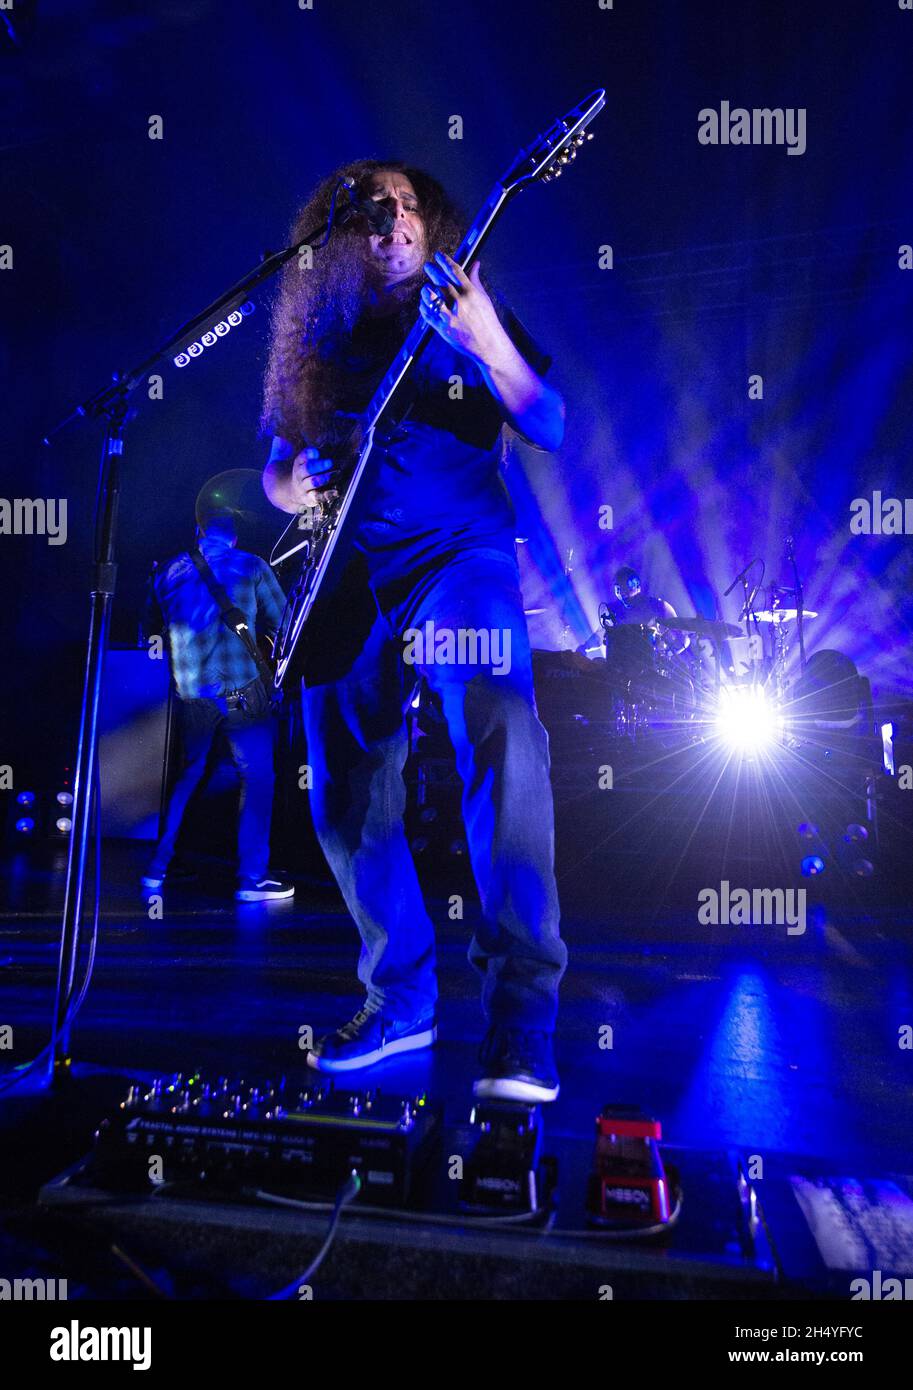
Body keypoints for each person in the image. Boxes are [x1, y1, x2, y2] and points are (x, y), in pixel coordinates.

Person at [261, 160, 567, 1101]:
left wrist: (487, 344)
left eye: (404, 205)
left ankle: (521, 1018)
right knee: (345, 790)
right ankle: (400, 999)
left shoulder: (467, 301)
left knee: (503, 732)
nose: (390, 221)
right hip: (345, 572)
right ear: (337, 235)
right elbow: (273, 470)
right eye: (366, 210)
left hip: (456, 560)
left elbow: (549, 421)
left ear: (429, 220)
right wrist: (293, 479)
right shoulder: (316, 339)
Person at [142, 511, 293, 901]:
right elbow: (285, 624)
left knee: (188, 774)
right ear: (235, 539)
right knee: (258, 778)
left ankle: (157, 869)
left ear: (198, 533)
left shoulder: (167, 570)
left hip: (191, 695)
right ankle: (252, 879)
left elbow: (149, 633)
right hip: (240, 690)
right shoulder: (251, 565)